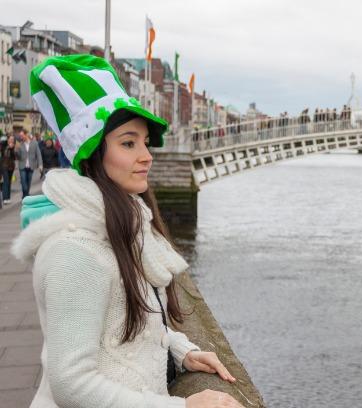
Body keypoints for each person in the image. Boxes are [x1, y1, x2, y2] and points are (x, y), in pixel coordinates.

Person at [11, 54, 242, 407]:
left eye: (145, 142)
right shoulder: (75, 249)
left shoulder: (121, 224)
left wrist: (179, 351)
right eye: (128, 143)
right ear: (92, 153)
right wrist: (184, 406)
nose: (147, 155)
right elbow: (71, 384)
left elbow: (121, 331)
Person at [14, 129, 42, 198]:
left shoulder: (34, 143)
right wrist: (16, 150)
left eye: (22, 135)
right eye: (20, 136)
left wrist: (40, 165)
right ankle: (26, 195)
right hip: (22, 166)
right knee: (23, 182)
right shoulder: (20, 144)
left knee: (28, 182)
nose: (21, 137)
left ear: (26, 135)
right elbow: (18, 157)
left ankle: (25, 195)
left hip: (31, 166)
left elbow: (38, 154)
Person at [1, 134, 16, 204]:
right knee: (6, 182)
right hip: (4, 166)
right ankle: (5, 198)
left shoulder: (14, 147)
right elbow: (3, 153)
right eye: (10, 139)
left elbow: (14, 157)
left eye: (13, 139)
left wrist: (12, 149)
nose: (11, 140)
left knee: (9, 182)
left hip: (11, 167)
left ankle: (8, 197)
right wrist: (8, 147)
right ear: (8, 139)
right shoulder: (4, 145)